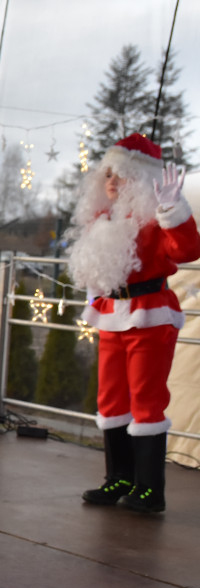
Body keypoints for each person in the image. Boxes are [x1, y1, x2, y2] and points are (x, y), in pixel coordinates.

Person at [67, 133, 199, 514]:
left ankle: (149, 489)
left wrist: (174, 211)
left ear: (140, 179)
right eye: (108, 173)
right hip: (111, 315)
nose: (111, 180)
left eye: (121, 174)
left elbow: (188, 250)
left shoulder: (155, 220)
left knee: (146, 399)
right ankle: (118, 479)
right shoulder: (102, 218)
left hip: (150, 316)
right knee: (110, 400)